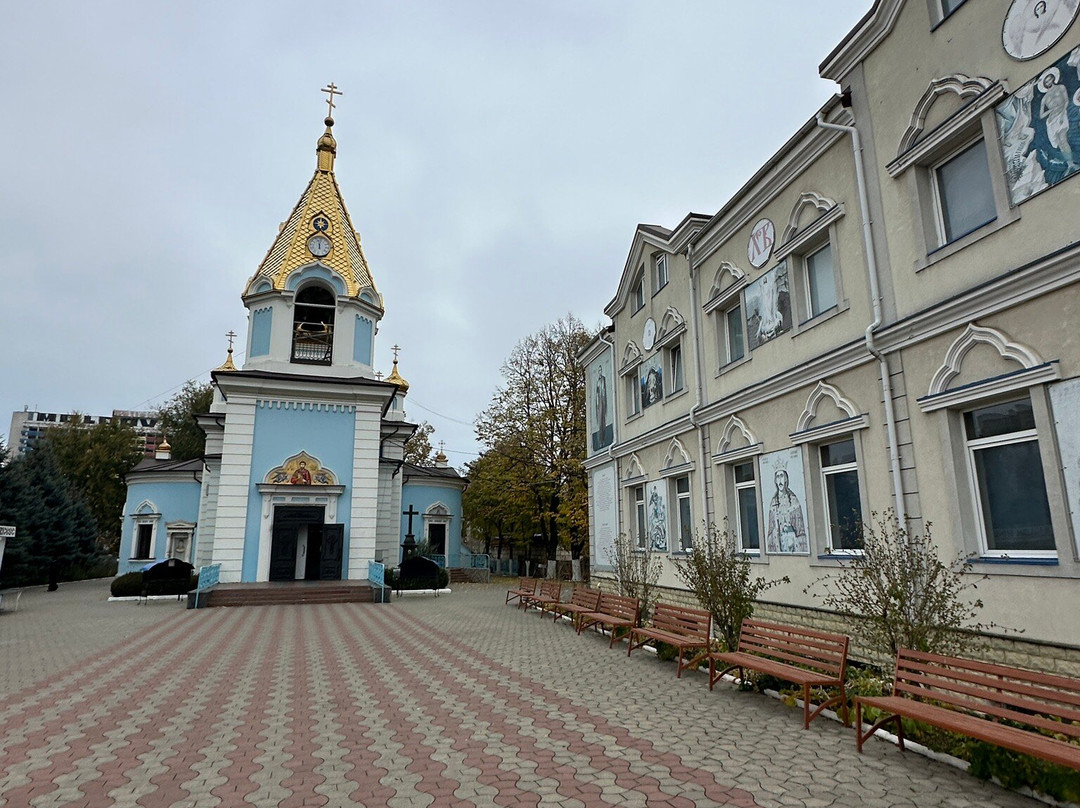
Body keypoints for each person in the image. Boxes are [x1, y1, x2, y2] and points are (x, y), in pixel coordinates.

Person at [766, 469, 808, 553]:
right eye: (777, 477)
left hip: (792, 543)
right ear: (775, 481)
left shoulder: (793, 500)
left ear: (786, 479)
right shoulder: (773, 502)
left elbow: (800, 529)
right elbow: (770, 530)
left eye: (782, 476)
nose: (780, 480)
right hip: (780, 541)